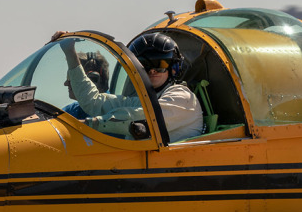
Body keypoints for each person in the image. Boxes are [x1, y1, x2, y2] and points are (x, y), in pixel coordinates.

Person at [59, 32, 204, 142]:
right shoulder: (144, 101)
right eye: (145, 66)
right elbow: (94, 102)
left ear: (174, 68)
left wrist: (90, 123)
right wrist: (70, 53)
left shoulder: (183, 98)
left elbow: (142, 117)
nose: (152, 71)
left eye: (160, 65)